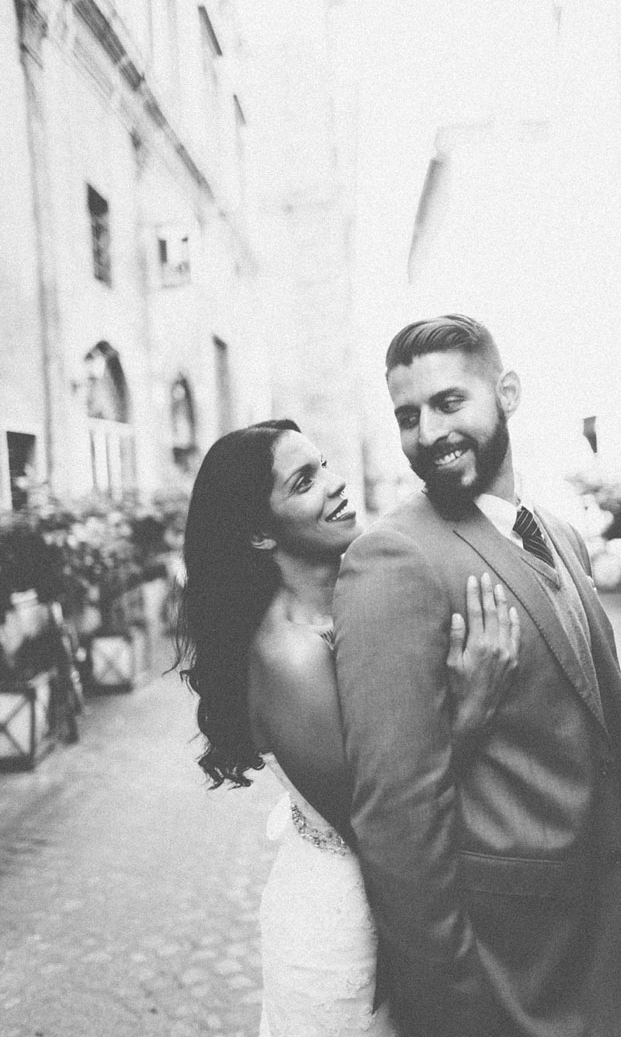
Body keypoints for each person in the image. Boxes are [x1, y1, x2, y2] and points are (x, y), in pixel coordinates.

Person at [332, 314, 621, 1037]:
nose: (428, 433)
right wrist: (453, 1002)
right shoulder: (391, 560)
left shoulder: (560, 534)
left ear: (506, 393)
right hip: (506, 976)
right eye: (408, 416)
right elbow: (397, 818)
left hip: (591, 938)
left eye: (451, 403)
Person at [175, 418, 521, 1037]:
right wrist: (472, 704)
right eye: (305, 482)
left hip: (395, 899)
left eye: (325, 465)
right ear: (259, 532)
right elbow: (380, 818)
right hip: (342, 929)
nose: (335, 486)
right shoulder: (290, 656)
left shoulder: (352, 596)